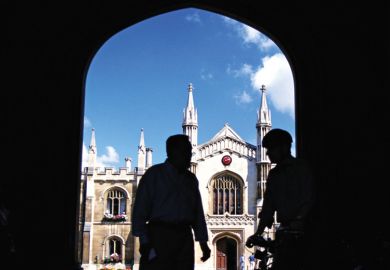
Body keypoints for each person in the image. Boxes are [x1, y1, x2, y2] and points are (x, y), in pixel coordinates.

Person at [131, 134, 211, 270]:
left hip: (184, 237)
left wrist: (203, 242)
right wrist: (145, 243)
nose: (189, 156)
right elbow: (139, 211)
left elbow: (197, 212)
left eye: (189, 152)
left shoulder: (191, 179)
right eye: (185, 152)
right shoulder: (154, 175)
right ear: (172, 152)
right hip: (159, 236)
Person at [246, 128, 316, 270]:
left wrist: (299, 220)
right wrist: (257, 233)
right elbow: (268, 208)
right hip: (284, 233)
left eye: (271, 148)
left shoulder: (301, 168)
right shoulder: (273, 174)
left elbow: (309, 197)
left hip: (305, 232)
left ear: (284, 148)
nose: (267, 153)